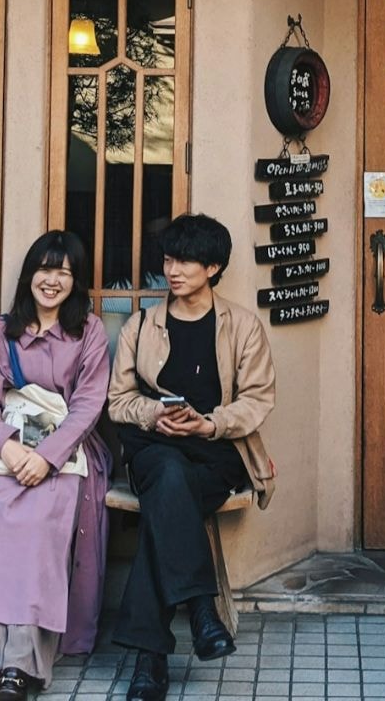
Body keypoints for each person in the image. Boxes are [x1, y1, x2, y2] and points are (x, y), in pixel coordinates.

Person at [106, 214, 277, 701]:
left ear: (213, 266)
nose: (173, 269)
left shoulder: (240, 326)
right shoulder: (143, 325)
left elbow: (258, 399)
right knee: (167, 472)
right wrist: (155, 414)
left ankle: (150, 658)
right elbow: (118, 401)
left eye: (185, 260)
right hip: (155, 446)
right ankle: (202, 610)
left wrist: (210, 423)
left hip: (213, 453)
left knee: (169, 495)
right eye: (168, 259)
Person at [0, 231, 112, 701]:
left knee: (39, 529)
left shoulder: (89, 331)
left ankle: (21, 666)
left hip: (69, 457)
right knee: (0, 525)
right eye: (44, 269)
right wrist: (10, 451)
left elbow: (88, 407)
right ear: (29, 274)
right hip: (7, 453)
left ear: (76, 280)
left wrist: (46, 458)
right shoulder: (1, 332)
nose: (52, 280)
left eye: (63, 272)